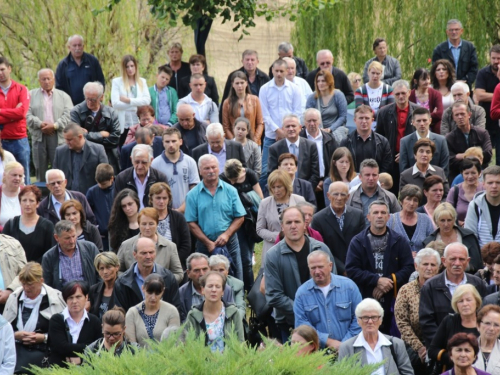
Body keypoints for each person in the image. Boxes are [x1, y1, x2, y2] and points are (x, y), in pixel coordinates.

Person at [265, 206, 335, 343]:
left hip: (324, 322)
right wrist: (305, 310)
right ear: (282, 227)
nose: (293, 226)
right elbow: (274, 295)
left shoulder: (321, 249)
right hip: (290, 324)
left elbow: (334, 284)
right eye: (288, 222)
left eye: (297, 222)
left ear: (305, 225)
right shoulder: (273, 255)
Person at [346, 200, 414, 333]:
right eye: (375, 213)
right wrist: (376, 281)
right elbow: (352, 269)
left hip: (394, 301)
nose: (379, 216)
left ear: (388, 217)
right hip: (366, 297)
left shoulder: (399, 241)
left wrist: (388, 282)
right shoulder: (358, 241)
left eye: (383, 213)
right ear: (368, 217)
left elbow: (409, 267)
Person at [185, 154, 246, 281]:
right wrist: (208, 243)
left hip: (230, 243)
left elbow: (240, 217)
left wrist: (227, 234)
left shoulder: (231, 191)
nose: (211, 171)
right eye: (207, 168)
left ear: (219, 168)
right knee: (204, 281)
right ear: (200, 171)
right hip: (204, 246)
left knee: (236, 279)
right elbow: (191, 222)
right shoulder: (192, 195)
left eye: (214, 167)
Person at [419, 242, 487, 348]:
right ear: (444, 261)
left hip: (475, 348)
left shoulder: (478, 284)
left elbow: (484, 316)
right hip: (443, 352)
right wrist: (447, 347)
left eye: (462, 259)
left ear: (468, 261)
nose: (457, 263)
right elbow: (427, 322)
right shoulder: (430, 286)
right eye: (452, 259)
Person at [3, 262, 65, 374]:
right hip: (16, 355)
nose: (26, 288)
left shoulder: (55, 299)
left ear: (41, 281)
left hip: (45, 355)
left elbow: (65, 334)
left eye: (30, 284)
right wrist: (15, 335)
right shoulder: (14, 299)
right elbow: (2, 332)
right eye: (23, 284)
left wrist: (44, 337)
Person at [294, 250, 362, 349]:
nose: (317, 272)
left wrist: (344, 345)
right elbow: (302, 325)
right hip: (318, 354)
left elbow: (360, 318)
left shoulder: (349, 287)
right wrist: (327, 341)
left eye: (321, 267)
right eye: (313, 268)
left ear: (330, 266)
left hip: (350, 350)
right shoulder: (302, 293)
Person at [112, 237, 184, 320]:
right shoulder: (122, 282)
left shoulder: (168, 278)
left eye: (151, 252)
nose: (148, 256)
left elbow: (176, 309)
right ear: (134, 255)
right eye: (144, 253)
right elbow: (120, 314)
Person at [338, 298, 414, 375]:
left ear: (380, 320)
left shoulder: (396, 344)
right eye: (365, 318)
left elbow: (408, 373)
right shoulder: (347, 347)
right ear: (358, 321)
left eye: (374, 317)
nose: (370, 321)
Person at [394, 248, 441, 373]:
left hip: (439, 345)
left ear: (438, 267)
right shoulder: (405, 290)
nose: (429, 268)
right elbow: (402, 323)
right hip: (412, 346)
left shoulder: (444, 289)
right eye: (425, 264)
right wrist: (420, 348)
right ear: (416, 266)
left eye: (433, 264)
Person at [259, 59, 302, 188]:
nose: (278, 74)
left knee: (292, 169)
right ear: (272, 70)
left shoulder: (294, 89)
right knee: (266, 172)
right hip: (271, 137)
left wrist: (286, 132)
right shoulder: (265, 89)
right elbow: (265, 114)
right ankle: (266, 200)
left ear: (287, 71)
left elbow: (297, 112)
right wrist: (278, 130)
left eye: (281, 71)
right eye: (276, 71)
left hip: (291, 137)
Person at [220, 159, 262, 291]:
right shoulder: (222, 178)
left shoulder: (249, 174)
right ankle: (246, 288)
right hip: (235, 222)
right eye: (230, 179)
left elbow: (260, 198)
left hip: (250, 221)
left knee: (248, 257)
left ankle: (250, 289)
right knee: (244, 258)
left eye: (235, 179)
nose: (232, 182)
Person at [27, 68, 73, 182]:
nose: (46, 81)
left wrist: (55, 125)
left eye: (49, 78)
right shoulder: (30, 95)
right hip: (39, 136)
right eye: (43, 79)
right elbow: (26, 114)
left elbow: (68, 115)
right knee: (40, 168)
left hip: (58, 136)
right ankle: (42, 195)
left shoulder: (64, 96)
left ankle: (60, 193)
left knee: (59, 168)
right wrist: (40, 124)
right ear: (39, 81)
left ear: (53, 80)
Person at [310, 182, 365, 275]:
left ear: (348, 197)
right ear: (328, 196)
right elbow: (321, 248)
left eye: (343, 194)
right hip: (330, 270)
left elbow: (362, 243)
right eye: (335, 194)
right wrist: (342, 269)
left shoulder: (358, 215)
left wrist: (352, 267)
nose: (339, 198)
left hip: (356, 269)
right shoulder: (318, 219)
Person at [117, 207, 183, 284]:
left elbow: (178, 273)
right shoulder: (126, 245)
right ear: (139, 224)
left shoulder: (170, 246)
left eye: (151, 224)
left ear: (157, 224)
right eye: (144, 224)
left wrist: (161, 283)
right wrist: (130, 282)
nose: (147, 228)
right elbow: (117, 270)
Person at [376, 80, 420, 192]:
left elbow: (422, 136)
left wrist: (406, 153)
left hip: (412, 157)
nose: (401, 96)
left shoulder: (418, 111)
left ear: (409, 92)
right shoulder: (384, 112)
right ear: (392, 95)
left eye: (403, 93)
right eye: (397, 94)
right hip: (390, 156)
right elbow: (379, 138)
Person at [184, 271, 245, 351]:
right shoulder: (193, 315)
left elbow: (241, 343)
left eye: (218, 286)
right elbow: (189, 346)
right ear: (203, 289)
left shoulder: (233, 312)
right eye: (210, 286)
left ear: (223, 291)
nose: (214, 290)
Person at [70, 81, 121, 174]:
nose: (89, 102)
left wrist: (87, 135)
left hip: (108, 156)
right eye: (87, 98)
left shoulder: (111, 112)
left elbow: (115, 139)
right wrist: (101, 135)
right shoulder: (76, 111)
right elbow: (77, 138)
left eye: (93, 100)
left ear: (101, 97)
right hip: (84, 156)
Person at [48, 280, 102, 367]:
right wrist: (87, 347)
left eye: (78, 297)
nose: (74, 301)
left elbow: (99, 347)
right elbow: (61, 347)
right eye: (70, 298)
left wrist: (81, 359)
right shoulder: (56, 320)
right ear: (65, 300)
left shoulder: (95, 321)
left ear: (86, 297)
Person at [256, 170, 305, 265]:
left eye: (279, 187)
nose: (276, 190)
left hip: (296, 248)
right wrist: (279, 236)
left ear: (286, 185)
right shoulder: (264, 203)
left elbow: (306, 225)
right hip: (272, 249)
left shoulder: (299, 200)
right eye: (273, 187)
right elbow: (260, 229)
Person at [429, 284, 482, 371]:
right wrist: (455, 358)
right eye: (460, 301)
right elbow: (433, 350)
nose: (465, 304)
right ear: (456, 304)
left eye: (468, 300)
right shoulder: (449, 321)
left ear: (477, 302)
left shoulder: (485, 322)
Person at [42, 220, 100, 292]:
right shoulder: (48, 257)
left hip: (89, 297)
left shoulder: (90, 248)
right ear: (56, 237)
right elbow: (47, 286)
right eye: (67, 238)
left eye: (74, 236)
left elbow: (100, 275)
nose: (72, 241)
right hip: (62, 300)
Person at [423, 203, 482, 273]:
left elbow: (478, 264)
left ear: (454, 220)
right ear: (436, 221)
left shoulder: (469, 237)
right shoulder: (429, 241)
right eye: (442, 220)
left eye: (449, 220)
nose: (446, 224)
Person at [151, 127, 199, 212]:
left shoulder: (190, 162)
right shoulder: (155, 163)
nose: (171, 145)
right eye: (167, 141)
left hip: (187, 212)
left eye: (173, 141)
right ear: (163, 143)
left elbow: (194, 189)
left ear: (180, 142)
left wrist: (181, 209)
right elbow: (153, 190)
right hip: (163, 212)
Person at [268, 114, 321, 191]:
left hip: (306, 191)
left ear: (300, 128)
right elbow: (272, 173)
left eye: (293, 126)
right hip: (283, 192)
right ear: (283, 129)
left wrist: (305, 189)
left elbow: (315, 173)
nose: (291, 129)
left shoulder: (311, 146)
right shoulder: (274, 148)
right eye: (287, 126)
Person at [125, 274, 180, 348]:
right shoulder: (132, 313)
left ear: (163, 291)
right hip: (139, 358)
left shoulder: (171, 311)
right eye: (150, 292)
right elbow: (131, 345)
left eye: (157, 293)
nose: (153, 297)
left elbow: (175, 342)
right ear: (143, 289)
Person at [3, 185, 55, 263]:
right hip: (14, 272)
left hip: (38, 272)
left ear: (38, 203)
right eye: (24, 200)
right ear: (20, 202)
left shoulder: (47, 226)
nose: (27, 204)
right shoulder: (11, 224)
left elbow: (51, 253)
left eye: (31, 200)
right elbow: (4, 250)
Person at [53, 123, 108, 194]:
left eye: (69, 140)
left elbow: (105, 175)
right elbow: (54, 176)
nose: (67, 142)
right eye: (65, 139)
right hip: (67, 198)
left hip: (90, 198)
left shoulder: (98, 150)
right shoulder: (60, 152)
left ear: (80, 137)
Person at [0, 57, 31, 186]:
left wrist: (1, 111)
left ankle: (26, 204)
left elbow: (22, 112)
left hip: (19, 141)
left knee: (24, 177)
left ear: (9, 69)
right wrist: (14, 113)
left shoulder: (21, 89)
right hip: (1, 141)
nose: (0, 73)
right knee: (4, 178)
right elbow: (17, 114)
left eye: (2, 69)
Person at [148, 182, 191, 271]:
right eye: (158, 198)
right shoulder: (145, 217)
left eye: (164, 198)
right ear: (151, 199)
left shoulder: (178, 217)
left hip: (175, 265)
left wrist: (172, 261)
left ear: (169, 199)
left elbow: (186, 245)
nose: (161, 201)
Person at [446, 102, 492, 182]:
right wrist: (477, 155)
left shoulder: (482, 133)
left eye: (462, 114)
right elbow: (450, 160)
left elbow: (488, 154)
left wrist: (462, 156)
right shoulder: (449, 138)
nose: (460, 117)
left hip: (481, 174)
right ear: (453, 117)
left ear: (469, 114)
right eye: (457, 115)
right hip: (458, 175)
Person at [178, 253, 234, 318]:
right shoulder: (182, 292)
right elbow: (182, 320)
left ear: (210, 269)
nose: (201, 274)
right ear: (188, 273)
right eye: (196, 270)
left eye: (204, 269)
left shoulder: (225, 289)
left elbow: (231, 316)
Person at [111, 55, 151, 143]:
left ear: (136, 67)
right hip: (123, 123)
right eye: (127, 66)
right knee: (124, 148)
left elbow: (147, 100)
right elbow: (115, 104)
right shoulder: (117, 82)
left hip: (139, 122)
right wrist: (136, 106)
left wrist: (128, 100)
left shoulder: (142, 81)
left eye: (132, 66)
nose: (130, 69)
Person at [114, 144, 168, 209]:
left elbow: (166, 204)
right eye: (137, 162)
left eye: (144, 162)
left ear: (151, 161)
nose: (139, 166)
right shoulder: (122, 178)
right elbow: (117, 205)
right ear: (131, 160)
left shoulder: (160, 178)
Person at [55, 34, 105, 106]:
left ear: (83, 46)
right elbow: (59, 87)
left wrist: (98, 97)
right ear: (69, 47)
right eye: (74, 45)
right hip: (71, 106)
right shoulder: (63, 65)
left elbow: (100, 81)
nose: (77, 48)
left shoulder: (92, 61)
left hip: (92, 104)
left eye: (79, 45)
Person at [347, 159, 401, 224]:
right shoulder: (350, 198)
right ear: (360, 177)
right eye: (367, 175)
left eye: (374, 175)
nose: (371, 178)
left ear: (378, 177)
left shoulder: (390, 197)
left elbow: (399, 221)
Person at [399, 107, 450, 176]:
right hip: (413, 183)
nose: (422, 124)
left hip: (436, 182)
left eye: (424, 120)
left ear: (430, 121)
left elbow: (445, 167)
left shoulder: (441, 140)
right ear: (413, 122)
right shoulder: (405, 141)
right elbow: (403, 168)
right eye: (418, 121)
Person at [341, 105, 392, 174]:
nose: (364, 121)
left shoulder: (383, 142)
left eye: (367, 118)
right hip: (353, 181)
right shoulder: (346, 142)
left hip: (376, 180)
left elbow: (387, 166)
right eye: (361, 118)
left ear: (372, 120)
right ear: (355, 120)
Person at [432, 19, 479, 88]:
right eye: (451, 30)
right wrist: (450, 82)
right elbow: (436, 69)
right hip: (446, 87)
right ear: (447, 32)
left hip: (465, 86)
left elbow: (474, 68)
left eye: (456, 29)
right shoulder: (439, 49)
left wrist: (465, 81)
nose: (454, 32)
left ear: (461, 31)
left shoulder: (470, 48)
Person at [388, 185, 434, 255]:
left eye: (415, 200)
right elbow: (386, 245)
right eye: (408, 199)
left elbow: (431, 245)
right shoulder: (391, 219)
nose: (412, 203)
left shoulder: (425, 220)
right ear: (401, 201)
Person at [305, 69, 348, 142]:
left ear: (329, 82)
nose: (320, 83)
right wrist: (319, 129)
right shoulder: (312, 97)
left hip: (335, 128)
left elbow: (343, 116)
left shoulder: (338, 95)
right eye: (318, 81)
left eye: (323, 81)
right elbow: (307, 116)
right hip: (317, 128)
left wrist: (330, 129)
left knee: (334, 138)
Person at [221, 71, 264, 143]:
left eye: (242, 83)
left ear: (246, 83)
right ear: (233, 85)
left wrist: (255, 140)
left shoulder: (255, 100)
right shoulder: (227, 103)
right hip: (235, 142)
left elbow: (260, 123)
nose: (240, 86)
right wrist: (234, 141)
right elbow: (226, 127)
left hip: (253, 141)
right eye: (237, 83)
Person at [475, 44, 500, 165]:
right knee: (486, 154)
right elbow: (479, 95)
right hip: (486, 120)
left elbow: (484, 95)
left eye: (499, 59)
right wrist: (497, 96)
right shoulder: (483, 73)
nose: (496, 61)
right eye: (493, 58)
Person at [465, 165, 500, 247]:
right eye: (490, 183)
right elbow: (470, 237)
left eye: (498, 182)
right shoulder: (474, 206)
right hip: (481, 257)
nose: (494, 186)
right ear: (483, 184)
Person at [356, 61, 394, 130]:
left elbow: (390, 110)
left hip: (384, 124)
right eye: (373, 73)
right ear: (368, 72)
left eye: (378, 73)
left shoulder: (389, 89)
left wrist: (371, 113)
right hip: (366, 124)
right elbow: (360, 110)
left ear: (381, 74)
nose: (375, 76)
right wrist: (379, 113)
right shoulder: (360, 91)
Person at [86, 163, 115, 251]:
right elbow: (88, 213)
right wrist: (95, 228)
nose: (101, 186)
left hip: (116, 232)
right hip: (101, 235)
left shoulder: (118, 188)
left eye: (104, 184)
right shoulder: (92, 192)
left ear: (112, 179)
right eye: (99, 183)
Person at [447, 159, 484, 225]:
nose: (470, 176)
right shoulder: (455, 190)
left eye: (473, 173)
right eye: (466, 173)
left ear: (479, 173)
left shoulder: (485, 190)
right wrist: (457, 222)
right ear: (462, 174)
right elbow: (447, 212)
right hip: (460, 230)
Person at [409, 68, 444, 134]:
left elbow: (439, 114)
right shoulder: (410, 95)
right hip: (414, 128)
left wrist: (420, 117)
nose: (427, 82)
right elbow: (410, 115)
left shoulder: (436, 94)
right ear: (416, 81)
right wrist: (431, 114)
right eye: (423, 79)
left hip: (433, 129)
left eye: (428, 79)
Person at [89, 252, 120, 319]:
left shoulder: (124, 289)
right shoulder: (94, 290)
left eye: (108, 267)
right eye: (101, 268)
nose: (105, 272)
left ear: (117, 267)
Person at [108, 189, 140, 253]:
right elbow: (113, 249)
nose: (127, 208)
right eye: (124, 206)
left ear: (137, 203)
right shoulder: (116, 226)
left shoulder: (146, 221)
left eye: (130, 204)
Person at [474, 305, 500, 374]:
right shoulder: (467, 348)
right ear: (478, 325)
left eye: (496, 325)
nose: (491, 328)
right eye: (487, 323)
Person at [0, 161, 23, 231]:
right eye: (14, 175)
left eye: (20, 176)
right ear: (4, 175)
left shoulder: (26, 192)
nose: (17, 178)